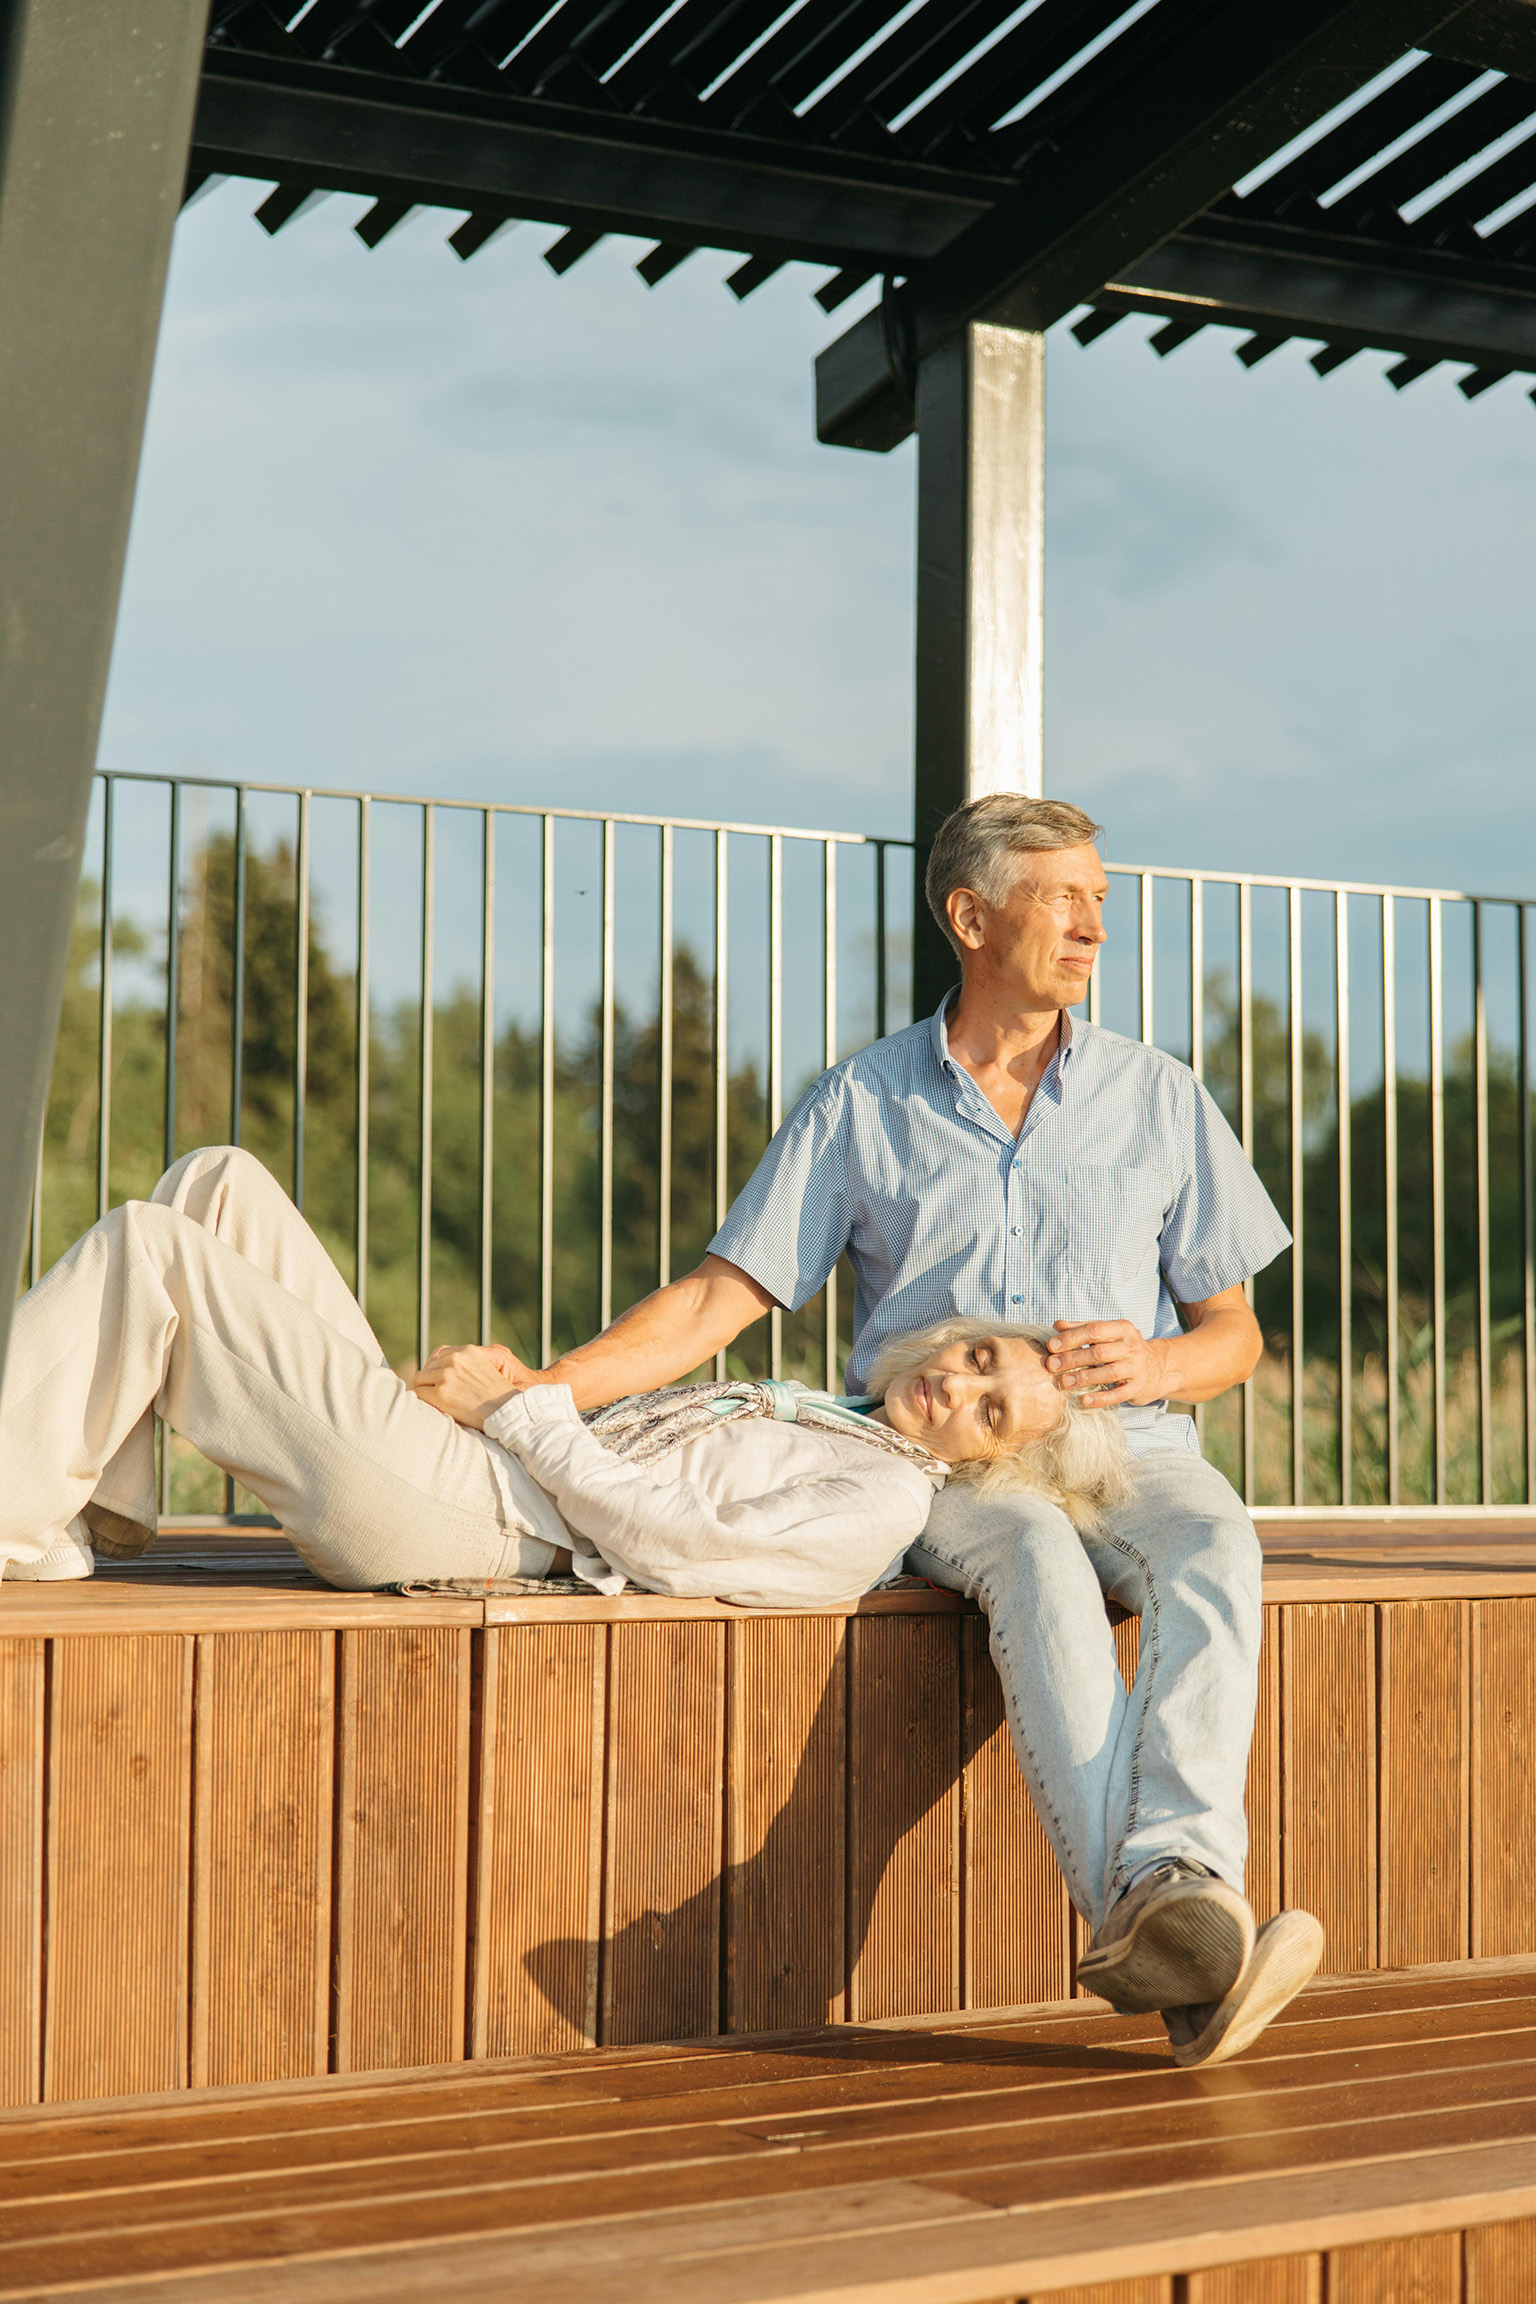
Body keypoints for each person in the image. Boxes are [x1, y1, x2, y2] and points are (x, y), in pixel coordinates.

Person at [435, 793, 1324, 2070]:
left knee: (1216, 1553)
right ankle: (1172, 1919)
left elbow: (1235, 1336)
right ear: (972, 916)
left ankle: (1174, 1890)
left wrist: (1162, 1358)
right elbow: (716, 1299)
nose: (1093, 921)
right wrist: (540, 1395)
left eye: (1100, 897)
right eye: (1063, 895)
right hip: (952, 1468)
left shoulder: (1161, 1096)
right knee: (1030, 1558)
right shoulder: (862, 1101)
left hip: (1132, 1446)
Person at [0, 1145, 1128, 1612]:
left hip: (470, 1524)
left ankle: (7, 1519)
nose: (962, 1387)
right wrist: (504, 1408)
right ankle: (85, 1516)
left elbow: (672, 1543)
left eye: (992, 1413)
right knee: (216, 1182)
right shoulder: (840, 1420)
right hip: (473, 1467)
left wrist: (518, 1406)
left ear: (997, 1463)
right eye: (978, 1357)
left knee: (152, 1247)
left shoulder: (883, 1499)